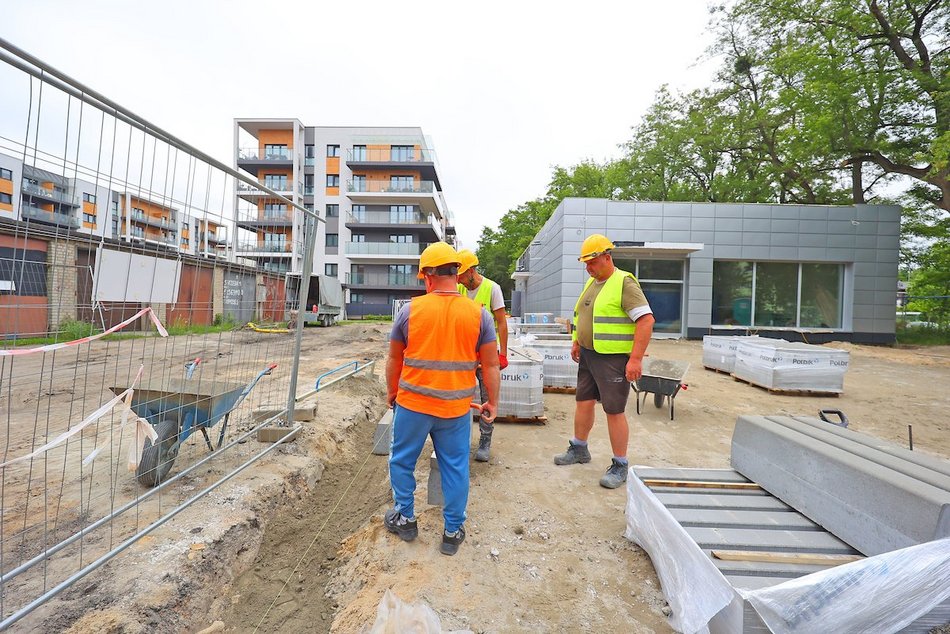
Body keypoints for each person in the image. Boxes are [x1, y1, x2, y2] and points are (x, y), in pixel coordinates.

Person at [384, 242, 500, 555]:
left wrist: (392, 392)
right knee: (455, 467)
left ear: (429, 276)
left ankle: (406, 518)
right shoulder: (479, 315)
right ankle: (452, 531)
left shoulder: (410, 311)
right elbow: (490, 364)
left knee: (402, 461)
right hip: (456, 408)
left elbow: (394, 359)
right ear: (456, 272)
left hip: (413, 406)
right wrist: (492, 403)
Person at [553, 234, 655, 489]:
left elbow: (646, 320)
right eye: (586, 263)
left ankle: (620, 465)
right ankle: (579, 449)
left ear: (607, 258)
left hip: (613, 358)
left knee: (614, 410)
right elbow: (583, 314)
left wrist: (635, 359)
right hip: (589, 354)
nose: (588, 268)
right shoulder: (594, 283)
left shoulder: (624, 282)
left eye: (593, 262)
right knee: (583, 402)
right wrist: (577, 340)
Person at [456, 249, 509, 462]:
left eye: (460, 274)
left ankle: (485, 440)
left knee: (488, 397)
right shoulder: (458, 289)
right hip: (464, 353)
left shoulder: (492, 288)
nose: (458, 278)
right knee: (460, 395)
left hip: (486, 354)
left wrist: (503, 354)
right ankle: (460, 438)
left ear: (471, 271)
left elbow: (502, 323)